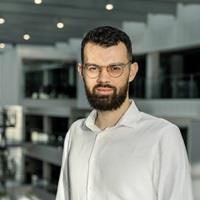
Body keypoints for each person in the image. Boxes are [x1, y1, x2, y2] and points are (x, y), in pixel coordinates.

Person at [56, 26, 193, 200]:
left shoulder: (163, 136)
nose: (103, 78)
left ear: (132, 72)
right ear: (81, 72)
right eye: (93, 68)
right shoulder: (75, 133)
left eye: (114, 68)